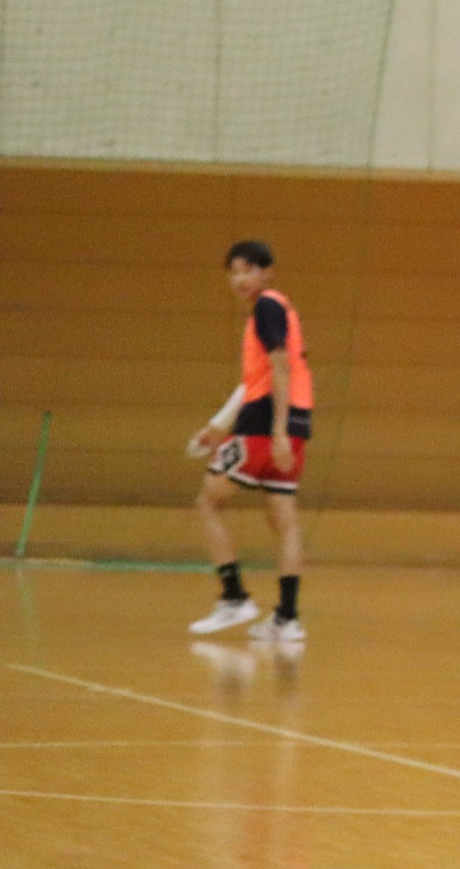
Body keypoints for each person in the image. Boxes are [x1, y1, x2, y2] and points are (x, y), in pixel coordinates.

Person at [186, 240, 311, 645]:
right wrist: (219, 426)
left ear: (267, 272)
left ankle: (234, 597)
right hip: (296, 426)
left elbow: (279, 369)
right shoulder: (283, 310)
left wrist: (276, 431)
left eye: (248, 270)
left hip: (263, 427)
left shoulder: (266, 307)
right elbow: (255, 380)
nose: (240, 279)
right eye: (234, 272)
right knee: (284, 521)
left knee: (208, 502)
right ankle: (287, 618)